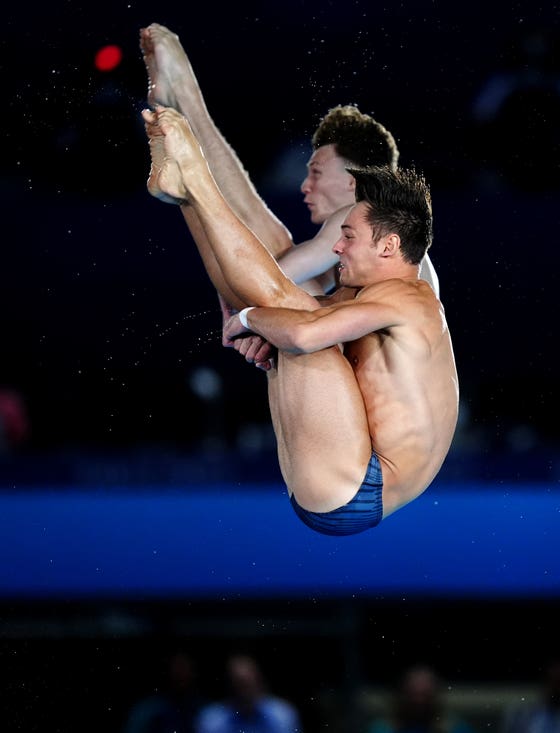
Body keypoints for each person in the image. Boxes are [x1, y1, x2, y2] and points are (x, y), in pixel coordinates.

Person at [141, 104, 458, 536]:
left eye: (347, 238)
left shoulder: (413, 298)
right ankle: (184, 192)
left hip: (355, 486)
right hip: (340, 477)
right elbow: (277, 312)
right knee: (286, 309)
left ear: (388, 246)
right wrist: (261, 325)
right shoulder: (369, 296)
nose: (338, 248)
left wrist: (253, 319)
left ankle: (194, 178)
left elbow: (296, 326)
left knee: (289, 312)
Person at [139, 24, 439, 317]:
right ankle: (185, 120)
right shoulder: (368, 255)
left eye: (317, 173)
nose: (305, 186)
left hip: (364, 354)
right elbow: (260, 281)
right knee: (272, 257)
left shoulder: (368, 216)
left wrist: (243, 314)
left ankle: (186, 116)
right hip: (370, 352)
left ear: (353, 180)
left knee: (271, 263)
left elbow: (262, 285)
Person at [196, 654, 302, 733]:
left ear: (259, 682)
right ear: (229, 686)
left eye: (248, 683)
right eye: (239, 684)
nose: (244, 691)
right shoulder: (212, 719)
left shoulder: (282, 714)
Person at [366, 664, 478, 733]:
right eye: (413, 694)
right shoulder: (383, 729)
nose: (419, 701)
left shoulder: (455, 729)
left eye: (425, 695)